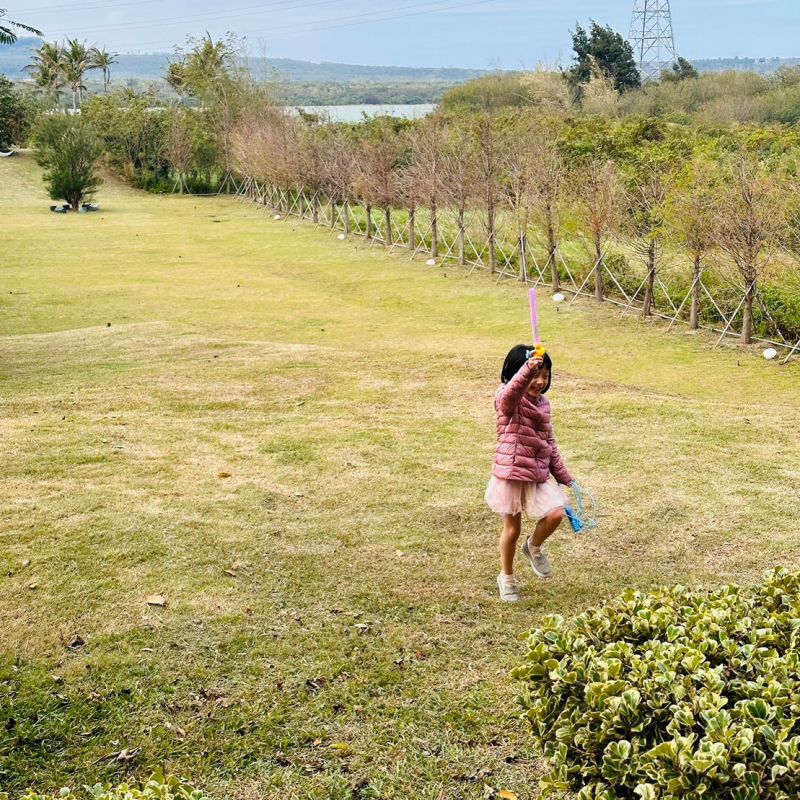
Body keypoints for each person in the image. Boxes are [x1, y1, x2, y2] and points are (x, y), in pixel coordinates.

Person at [485, 345, 573, 602]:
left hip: (537, 473)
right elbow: (509, 397)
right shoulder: (507, 398)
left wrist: (564, 475)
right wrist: (528, 369)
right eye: (536, 375)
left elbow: (549, 442)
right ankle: (507, 577)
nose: (540, 381)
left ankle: (533, 545)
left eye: (545, 375)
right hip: (511, 473)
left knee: (556, 513)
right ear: (518, 373)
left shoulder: (544, 404)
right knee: (512, 529)